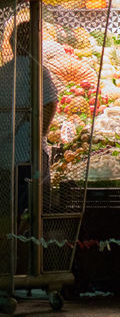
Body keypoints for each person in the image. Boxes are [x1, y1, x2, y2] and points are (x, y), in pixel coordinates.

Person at [0, 21, 58, 223]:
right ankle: (31, 247)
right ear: (35, 44)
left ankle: (10, 245)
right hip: (28, 154)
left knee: (9, 209)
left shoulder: (3, 72)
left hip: (5, 155)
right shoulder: (38, 70)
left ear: (12, 44)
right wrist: (40, 135)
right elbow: (49, 104)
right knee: (34, 209)